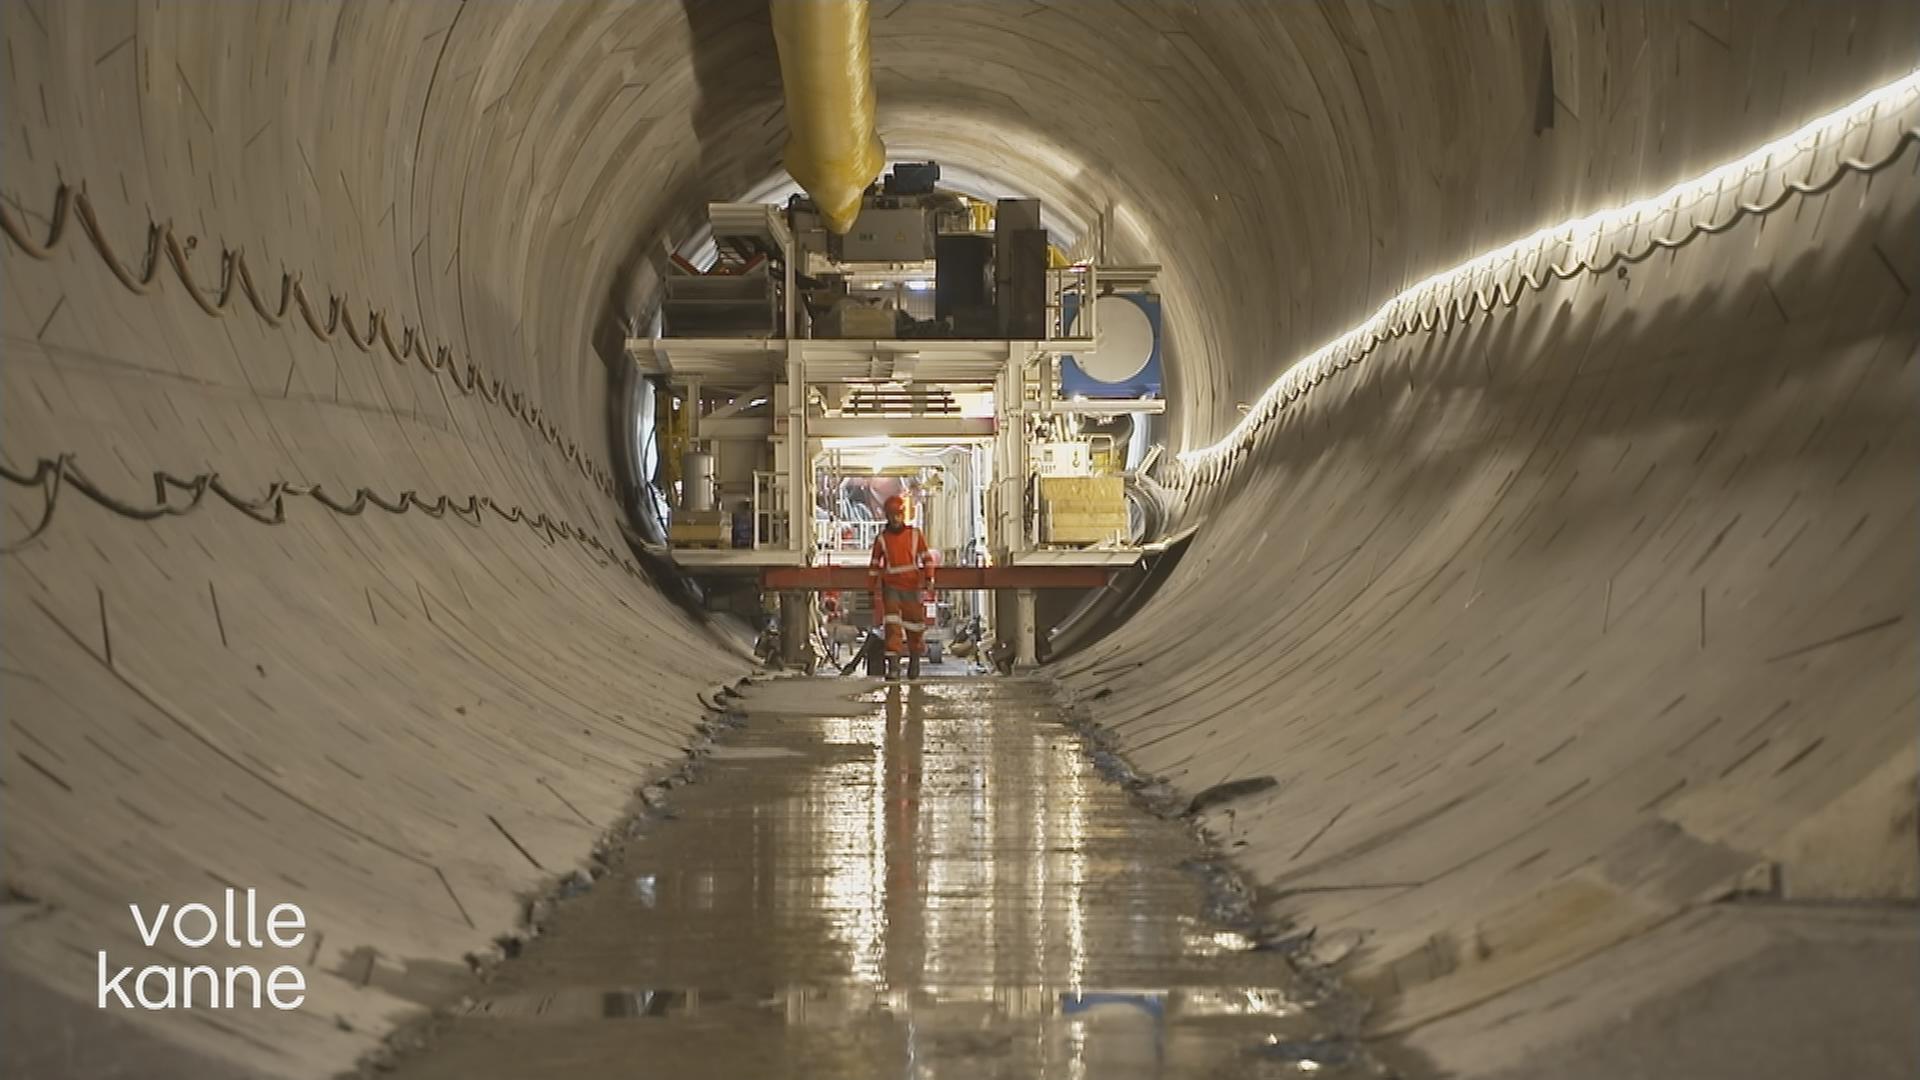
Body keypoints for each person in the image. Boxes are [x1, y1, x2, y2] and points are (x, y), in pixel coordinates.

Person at [868, 494, 936, 680]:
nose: (895, 519)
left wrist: (929, 577)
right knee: (892, 627)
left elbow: (926, 558)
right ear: (887, 516)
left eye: (898, 515)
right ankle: (894, 667)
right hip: (891, 587)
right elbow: (874, 565)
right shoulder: (882, 539)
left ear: (902, 515)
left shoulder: (915, 535)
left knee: (915, 626)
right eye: (892, 515)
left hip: (912, 586)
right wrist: (871, 589)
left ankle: (914, 662)